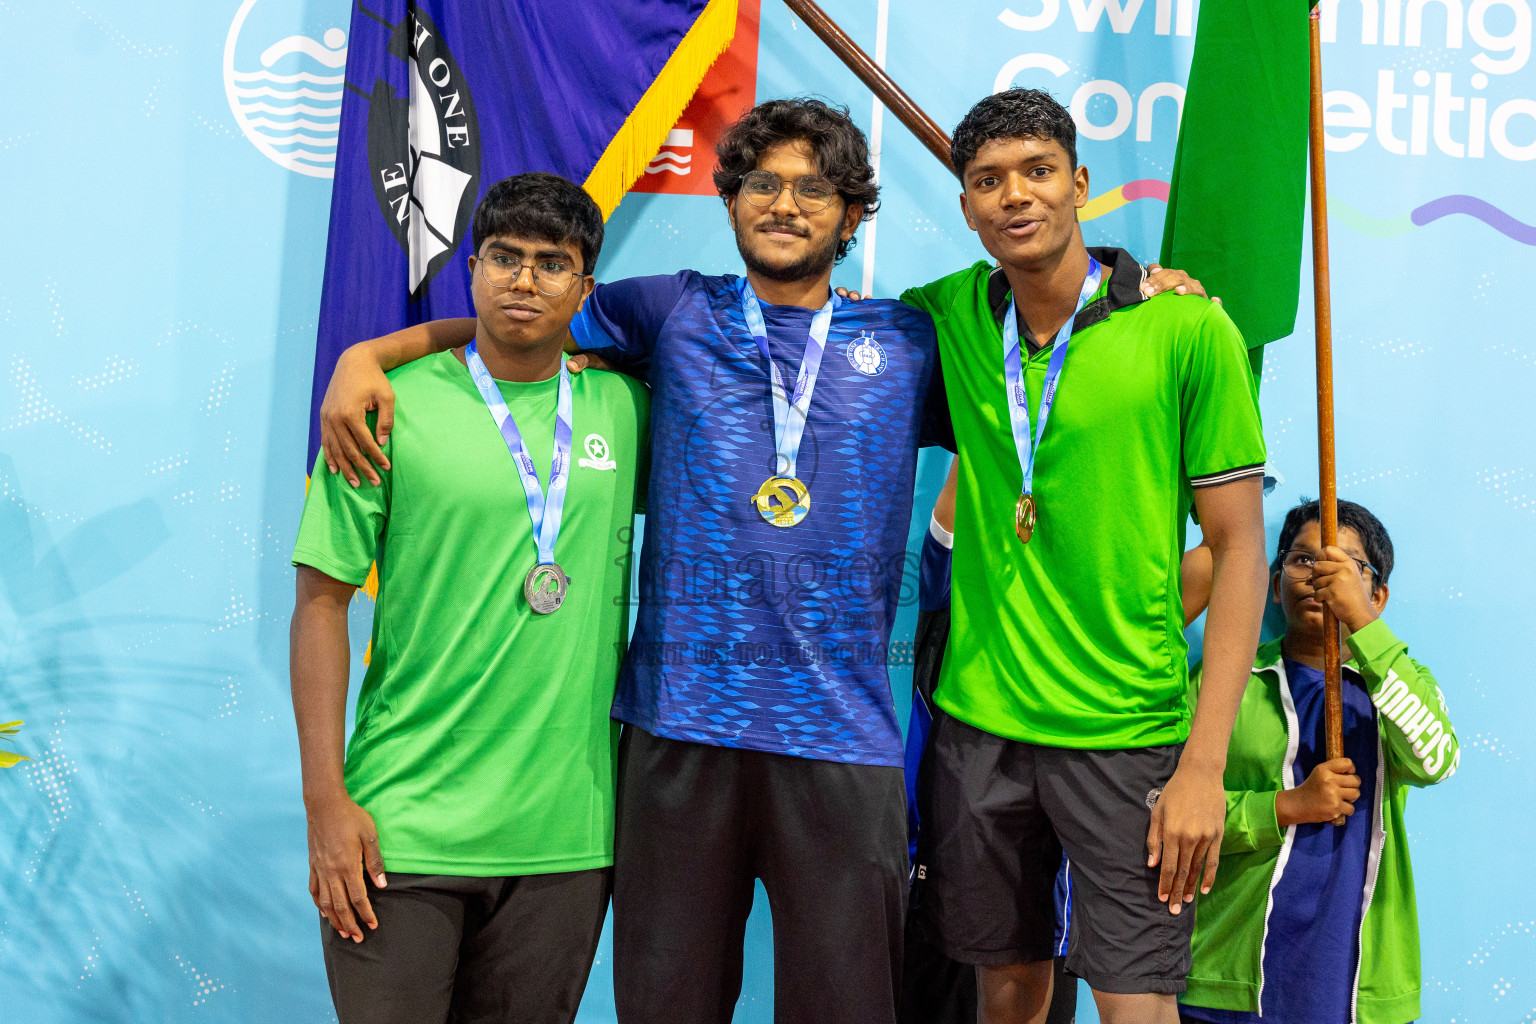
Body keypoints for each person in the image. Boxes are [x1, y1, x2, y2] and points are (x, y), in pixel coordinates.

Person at [315, 98, 1205, 1024]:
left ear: (854, 215)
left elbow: (1039, 341)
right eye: (762, 185)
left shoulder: (913, 341)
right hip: (678, 734)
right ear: (730, 201)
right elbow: (523, 322)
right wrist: (369, 354)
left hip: (843, 744)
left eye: (813, 188)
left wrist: (1138, 286)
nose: (785, 204)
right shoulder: (668, 310)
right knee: (668, 1008)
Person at [901, 88, 1269, 1024]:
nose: (1014, 197)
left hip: (1126, 732)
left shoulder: (1187, 328)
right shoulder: (943, 316)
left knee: (1135, 1003)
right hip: (980, 727)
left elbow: (1237, 551)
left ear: (1081, 184)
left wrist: (1202, 767)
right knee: (1008, 991)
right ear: (966, 204)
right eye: (987, 180)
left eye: (1037, 171)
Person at [287, 173, 648, 1024]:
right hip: (401, 829)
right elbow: (319, 607)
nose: (524, 280)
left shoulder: (628, 408)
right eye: (504, 258)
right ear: (472, 270)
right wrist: (325, 803)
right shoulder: (381, 410)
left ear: (584, 289)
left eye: (551, 264)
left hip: (565, 839)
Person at [1177, 499, 1459, 1024]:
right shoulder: (1221, 683)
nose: (1320, 575)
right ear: (1272, 579)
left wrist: (1361, 625)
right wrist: (1284, 807)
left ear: (1378, 594)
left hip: (1355, 982)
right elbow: (1173, 814)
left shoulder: (1399, 681)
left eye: (1347, 566)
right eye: (1302, 559)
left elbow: (1435, 759)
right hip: (1227, 974)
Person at [901, 460, 1077, 1024]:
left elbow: (1208, 569)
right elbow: (971, 467)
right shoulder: (951, 585)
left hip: (1034, 883)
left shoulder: (1080, 623)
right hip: (932, 867)